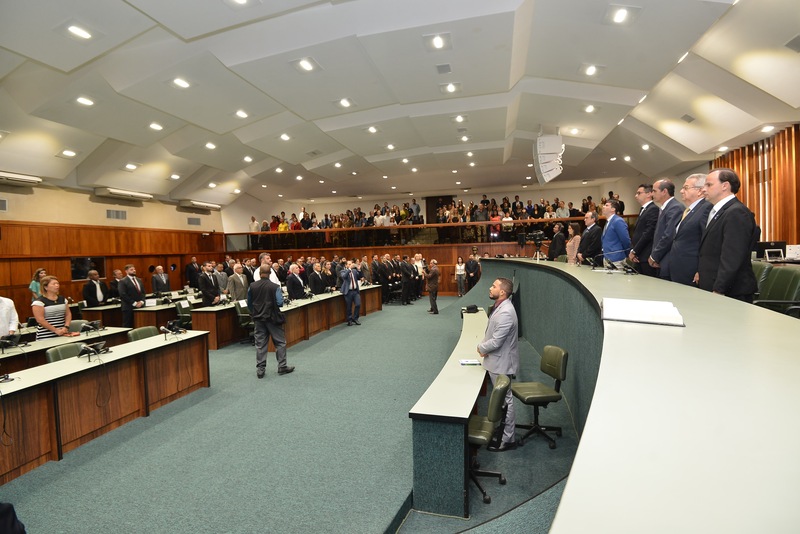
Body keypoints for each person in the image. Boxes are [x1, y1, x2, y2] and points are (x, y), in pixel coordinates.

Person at [697, 168, 758, 302]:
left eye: (709, 185)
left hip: (730, 291)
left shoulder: (736, 212)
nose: (703, 189)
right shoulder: (720, 211)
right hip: (714, 285)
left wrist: (719, 289)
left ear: (725, 186)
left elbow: (732, 257)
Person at [477, 278, 519, 452]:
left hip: (501, 363)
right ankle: (503, 432)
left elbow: (496, 341)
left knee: (505, 401)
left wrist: (481, 347)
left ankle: (507, 439)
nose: (490, 288)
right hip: (496, 361)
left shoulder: (506, 312)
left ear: (502, 292)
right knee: (501, 401)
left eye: (494, 286)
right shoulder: (500, 306)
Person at [660, 174, 713, 286]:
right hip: (678, 269)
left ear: (699, 191)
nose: (681, 191)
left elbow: (706, 242)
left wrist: (700, 270)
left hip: (691, 271)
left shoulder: (706, 208)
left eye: (686, 188)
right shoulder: (688, 210)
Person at [248, 264, 294, 379]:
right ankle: (282, 366)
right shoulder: (275, 286)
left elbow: (249, 303)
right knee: (280, 343)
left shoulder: (252, 286)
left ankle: (260, 369)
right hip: (273, 318)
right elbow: (280, 303)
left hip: (258, 318)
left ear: (259, 274)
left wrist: (256, 311)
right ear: (270, 274)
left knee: (260, 344)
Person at [648, 179, 684, 275]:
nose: (652, 194)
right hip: (661, 258)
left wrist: (654, 256)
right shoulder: (665, 208)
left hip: (667, 258)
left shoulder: (675, 208)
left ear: (664, 191)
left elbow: (669, 235)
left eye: (654, 191)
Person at [628, 184, 659, 276]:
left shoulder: (653, 209)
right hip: (639, 256)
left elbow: (648, 233)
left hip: (646, 256)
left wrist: (635, 251)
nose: (636, 196)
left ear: (649, 194)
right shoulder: (644, 209)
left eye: (639, 193)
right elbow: (637, 233)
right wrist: (633, 250)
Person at [31, 275, 72, 340]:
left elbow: (68, 314)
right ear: (45, 287)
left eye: (57, 283)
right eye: (54, 284)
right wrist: (55, 330)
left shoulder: (63, 299)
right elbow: (40, 320)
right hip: (46, 336)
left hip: (63, 333)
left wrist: (66, 327)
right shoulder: (39, 302)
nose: (57, 285)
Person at [601, 199, 631, 269]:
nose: (603, 207)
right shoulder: (608, 222)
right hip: (607, 259)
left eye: (606, 205)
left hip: (616, 259)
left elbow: (625, 240)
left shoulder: (618, 221)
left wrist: (627, 254)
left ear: (613, 209)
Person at [340, 259, 362, 326]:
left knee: (358, 304)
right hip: (348, 292)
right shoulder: (343, 271)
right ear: (346, 265)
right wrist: (349, 269)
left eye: (351, 264)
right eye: (349, 264)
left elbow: (360, 277)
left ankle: (355, 318)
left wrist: (359, 270)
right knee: (349, 307)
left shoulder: (354, 271)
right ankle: (349, 320)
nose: (351, 265)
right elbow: (344, 277)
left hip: (355, 291)